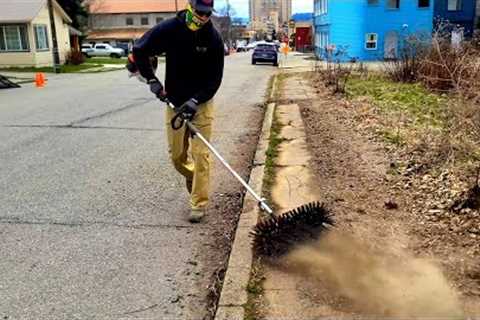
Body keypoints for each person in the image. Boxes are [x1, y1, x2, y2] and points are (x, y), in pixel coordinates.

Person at [131, 0, 224, 223]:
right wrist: (152, 80)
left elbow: (215, 79)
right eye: (200, 12)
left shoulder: (213, 37)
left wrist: (196, 100)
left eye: (207, 13)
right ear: (191, 7)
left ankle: (198, 203)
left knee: (201, 155)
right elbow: (140, 50)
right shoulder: (170, 29)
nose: (203, 18)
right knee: (177, 157)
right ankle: (194, 177)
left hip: (201, 103)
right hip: (174, 102)